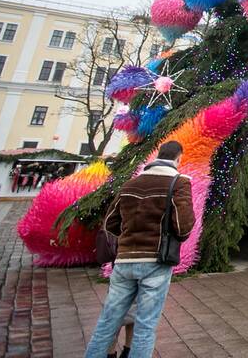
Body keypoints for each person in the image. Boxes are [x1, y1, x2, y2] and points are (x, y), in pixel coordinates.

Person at [84, 141, 195, 358]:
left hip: (124, 261)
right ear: (178, 158)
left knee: (108, 322)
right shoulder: (179, 183)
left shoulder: (130, 184)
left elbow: (110, 223)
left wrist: (129, 235)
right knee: (146, 326)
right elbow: (183, 226)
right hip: (156, 261)